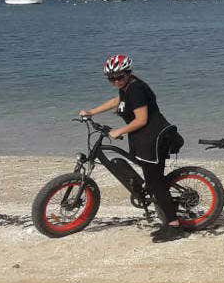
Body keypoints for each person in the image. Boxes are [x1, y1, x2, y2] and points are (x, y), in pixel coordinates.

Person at [77, 54, 187, 243]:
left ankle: (174, 226)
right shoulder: (128, 86)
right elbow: (117, 101)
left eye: (120, 77)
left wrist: (119, 130)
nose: (116, 81)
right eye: (112, 78)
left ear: (129, 73)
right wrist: (92, 112)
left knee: (155, 183)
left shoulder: (136, 89)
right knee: (152, 179)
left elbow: (141, 120)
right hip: (144, 138)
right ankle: (166, 216)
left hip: (154, 138)